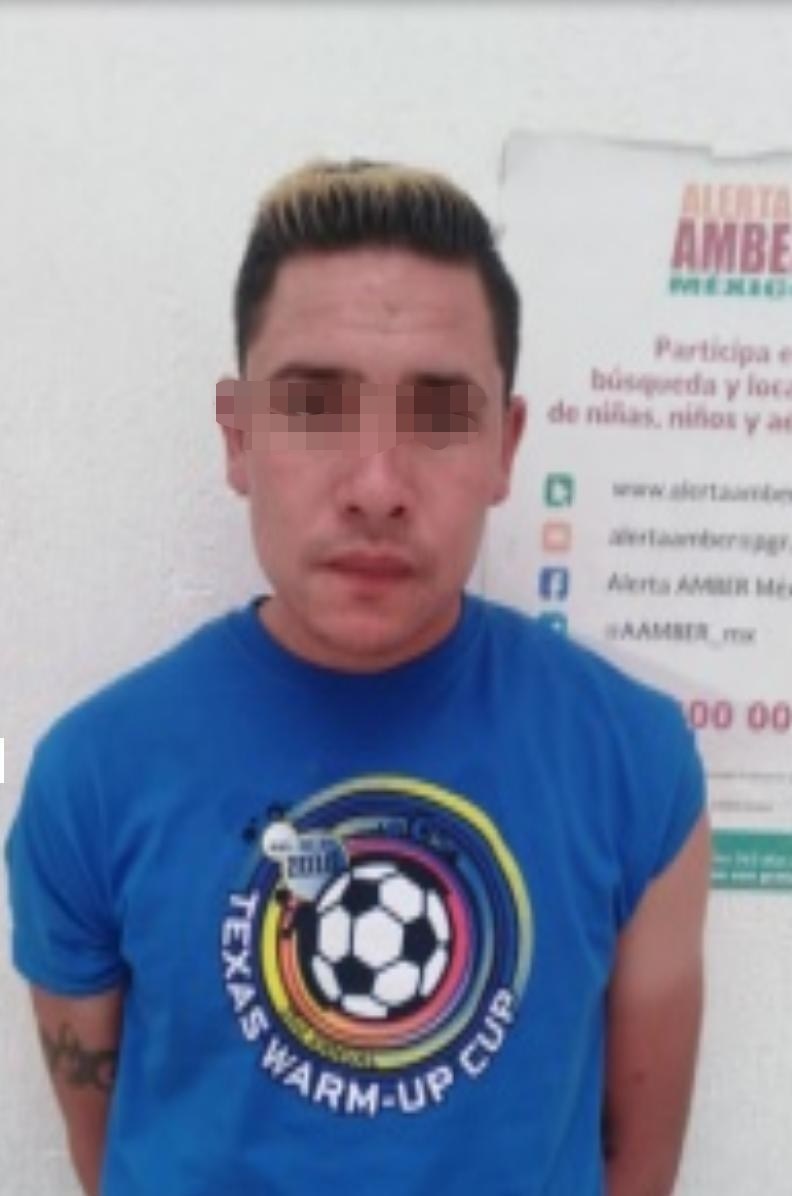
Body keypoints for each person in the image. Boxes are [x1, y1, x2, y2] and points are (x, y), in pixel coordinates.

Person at [5, 158, 710, 1196]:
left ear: (504, 446)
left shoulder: (636, 762)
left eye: (439, 412)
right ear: (238, 436)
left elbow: (635, 1160)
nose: (377, 487)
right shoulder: (94, 775)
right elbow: (107, 1146)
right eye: (314, 405)